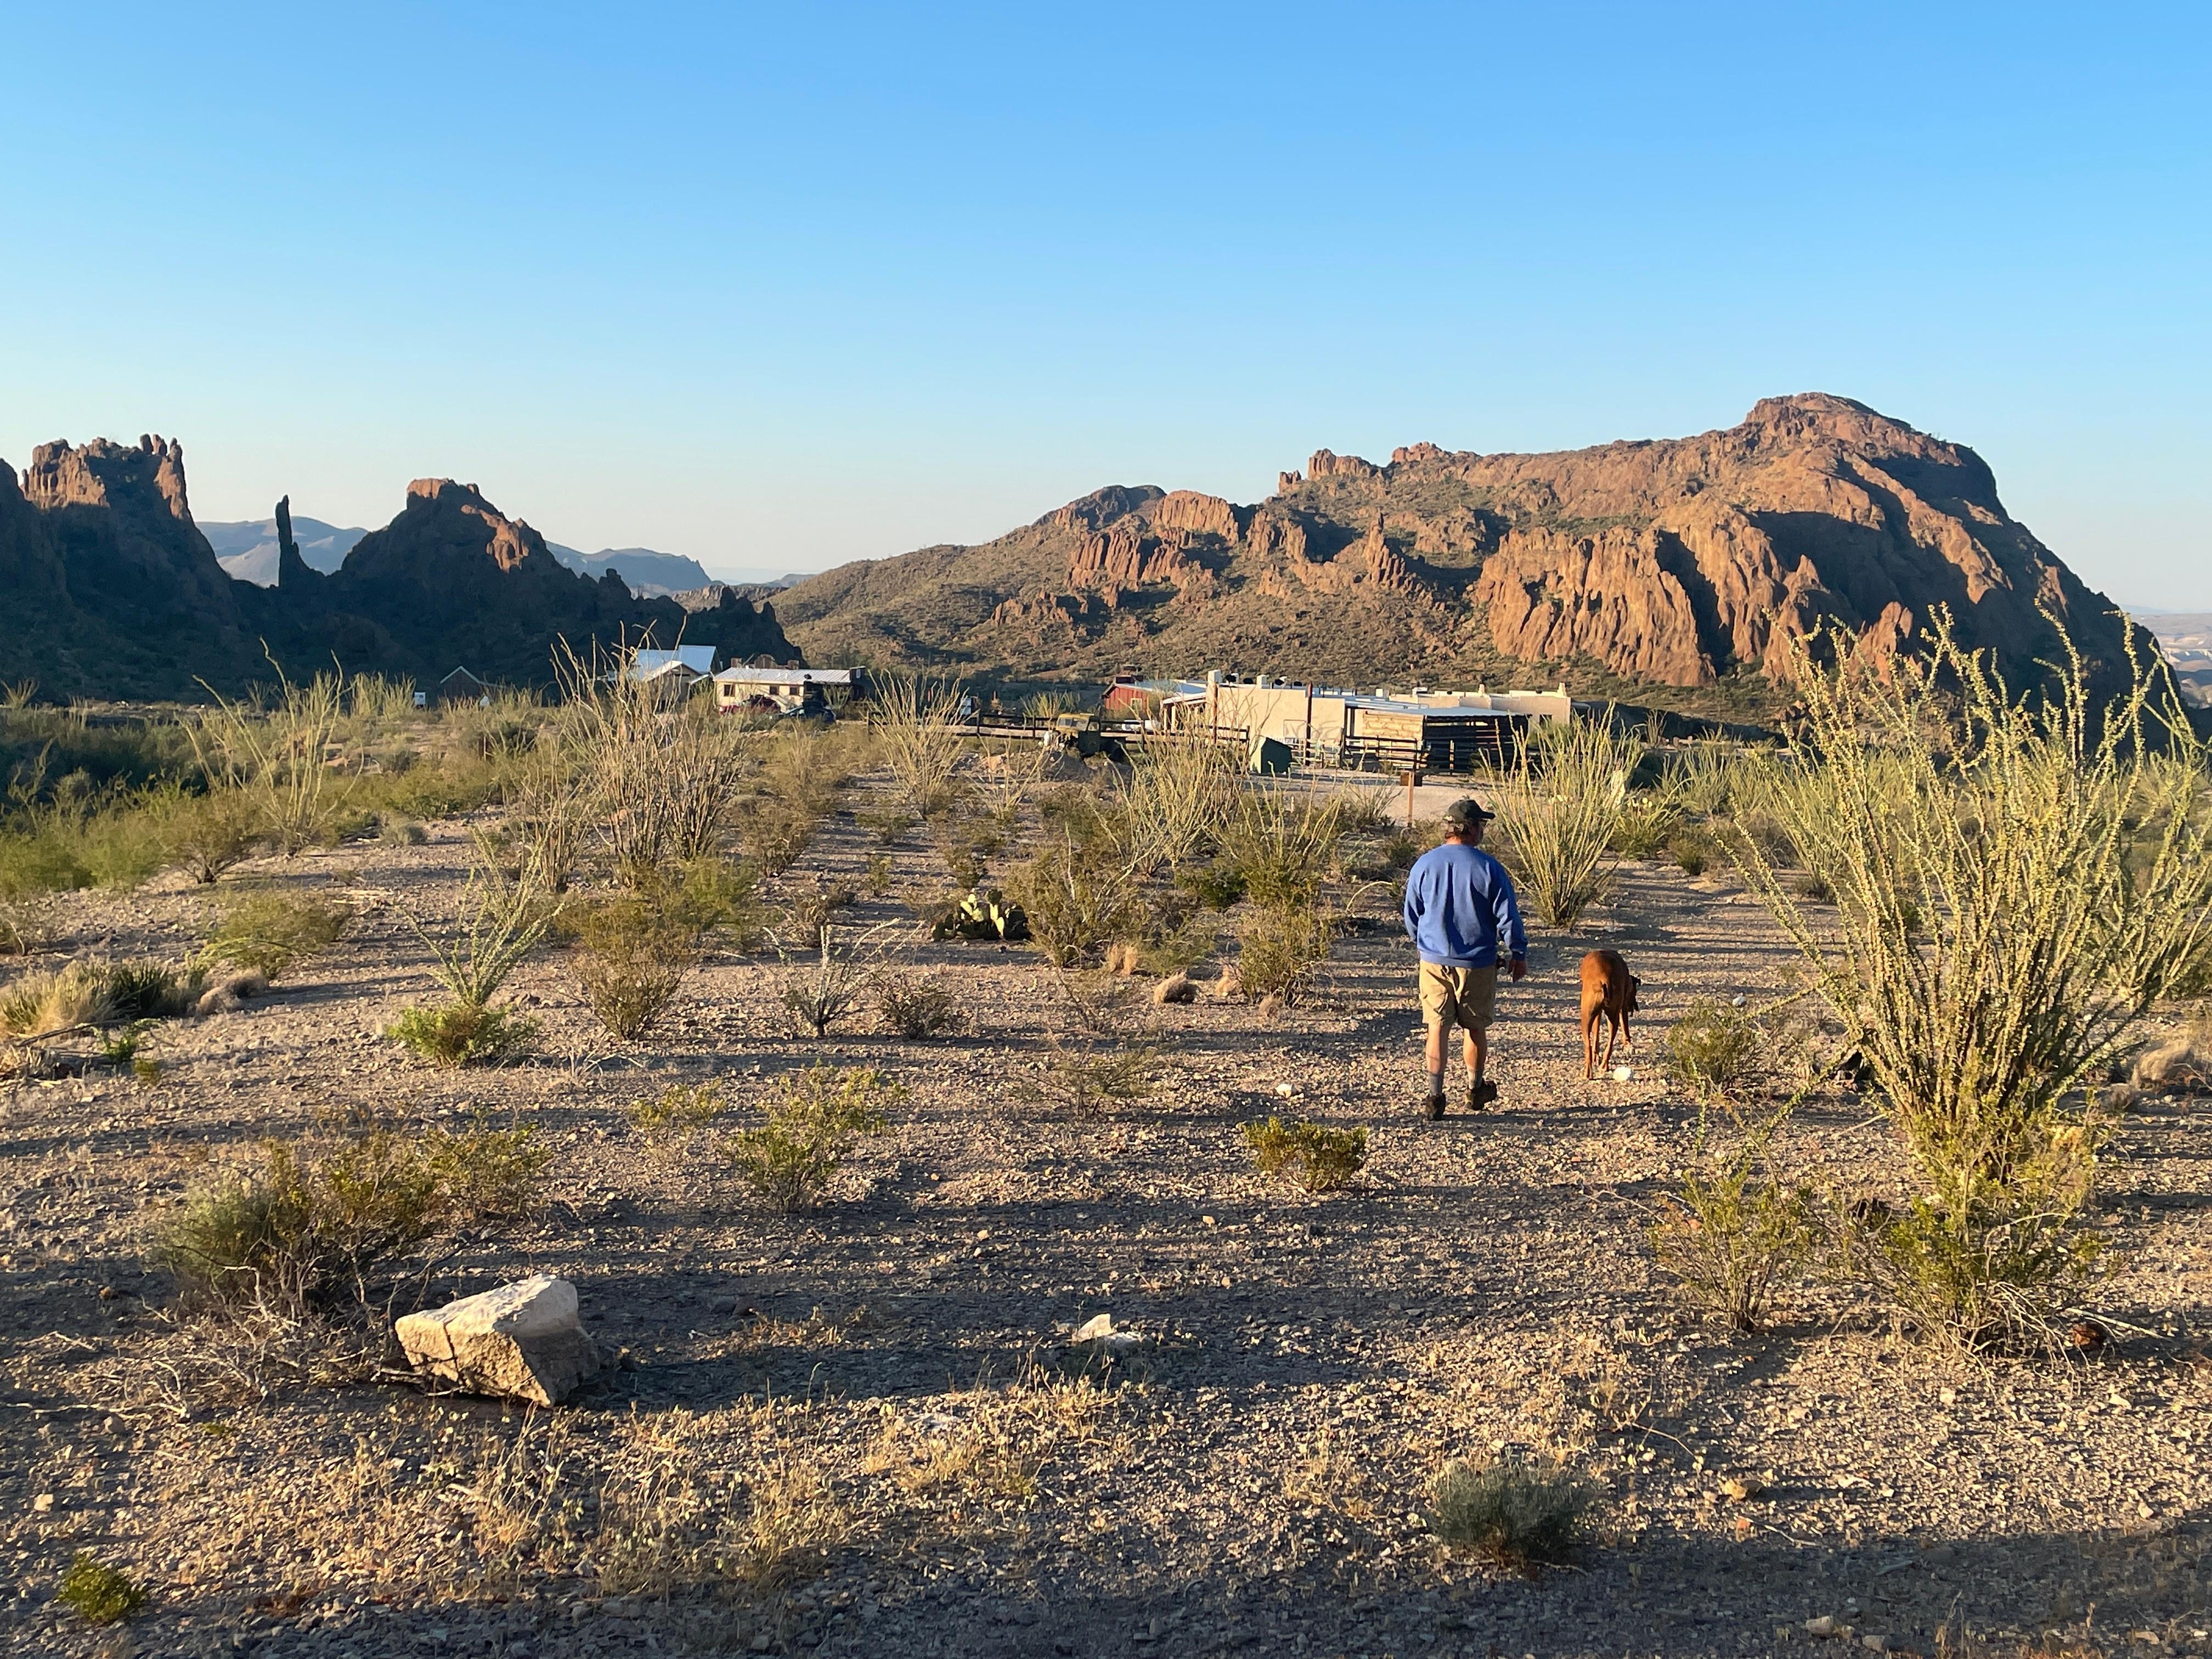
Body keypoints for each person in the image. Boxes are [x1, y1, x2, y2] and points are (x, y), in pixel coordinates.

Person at [1402, 795, 1526, 1119]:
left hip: (1433, 959)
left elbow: (1412, 914)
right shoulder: (1489, 868)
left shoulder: (1425, 865)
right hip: (1478, 962)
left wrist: (1424, 944)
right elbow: (1508, 916)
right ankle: (1474, 1089)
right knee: (1475, 1028)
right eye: (1481, 824)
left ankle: (1435, 1097)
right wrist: (1518, 952)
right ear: (1471, 828)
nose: (1483, 830)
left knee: (1437, 1028)